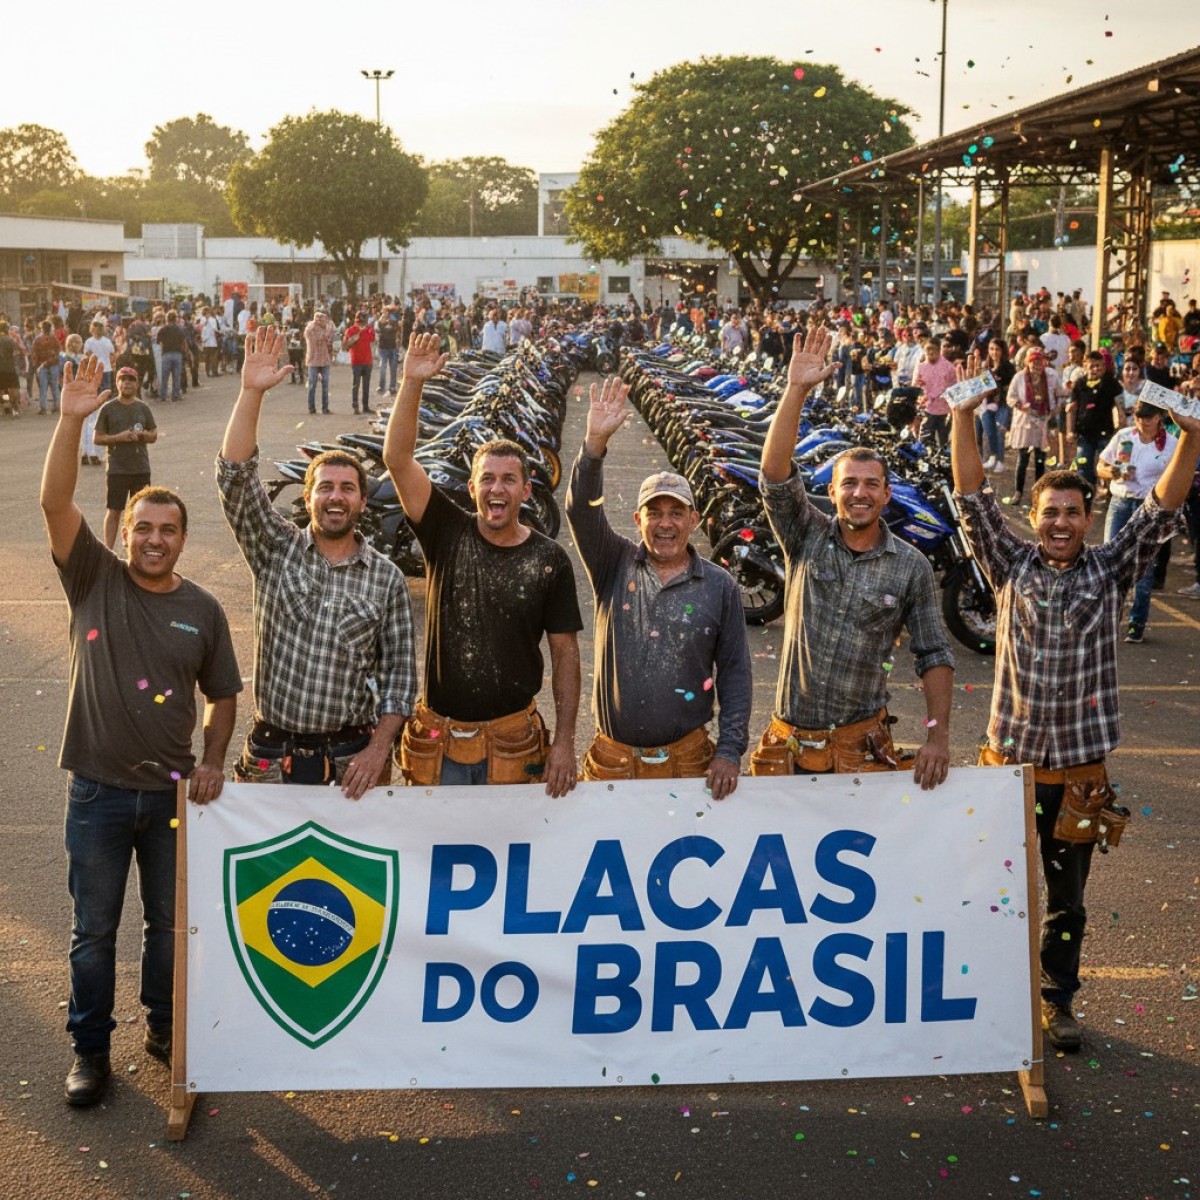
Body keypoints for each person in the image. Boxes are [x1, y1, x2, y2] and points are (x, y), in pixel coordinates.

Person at [949, 372, 1200, 1052]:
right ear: (1032, 517)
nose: (1060, 522)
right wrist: (964, 417)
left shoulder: (1110, 569)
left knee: (1068, 902)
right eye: (1049, 512)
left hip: (1080, 775)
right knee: (993, 894)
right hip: (1008, 768)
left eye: (1072, 512)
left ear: (1088, 518)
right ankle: (988, 996)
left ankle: (1056, 1002)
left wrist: (1192, 435)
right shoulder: (1009, 565)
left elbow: (1160, 507)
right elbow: (971, 497)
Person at [41, 354, 241, 1106]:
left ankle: (163, 1030)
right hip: (94, 795)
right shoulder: (92, 576)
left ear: (184, 541)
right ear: (124, 532)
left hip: (168, 801)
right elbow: (56, 501)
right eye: (143, 528)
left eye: (168, 530)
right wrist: (70, 420)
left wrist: (215, 759)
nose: (154, 539)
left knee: (167, 932)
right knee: (93, 936)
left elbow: (224, 696)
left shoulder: (205, 612)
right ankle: (91, 1052)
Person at [749, 327, 955, 789]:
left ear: (886, 494)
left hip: (860, 752)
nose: (859, 493)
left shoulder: (911, 567)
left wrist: (937, 739)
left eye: (869, 484)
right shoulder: (805, 536)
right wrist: (796, 390)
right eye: (849, 483)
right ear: (832, 491)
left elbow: (934, 653)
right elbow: (774, 474)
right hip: (789, 748)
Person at [217, 326, 417, 799]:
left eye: (347, 488)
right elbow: (234, 482)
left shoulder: (386, 579)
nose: (335, 497)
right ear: (307, 498)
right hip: (271, 756)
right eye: (325, 487)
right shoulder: (274, 549)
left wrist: (378, 750)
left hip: (350, 762)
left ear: (363, 502)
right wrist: (250, 393)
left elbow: (399, 681)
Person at [383, 332, 582, 796]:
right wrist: (412, 382)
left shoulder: (549, 559)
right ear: (471, 488)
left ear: (527, 490)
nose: (497, 489)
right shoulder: (445, 531)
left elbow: (566, 655)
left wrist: (566, 741)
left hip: (514, 744)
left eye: (509, 480)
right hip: (440, 742)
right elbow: (396, 457)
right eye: (487, 479)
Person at [565, 377, 752, 799]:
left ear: (694, 521)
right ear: (638, 521)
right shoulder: (612, 563)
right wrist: (594, 444)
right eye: (654, 512)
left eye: (675, 512)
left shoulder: (719, 586)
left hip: (689, 766)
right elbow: (579, 510)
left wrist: (730, 750)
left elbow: (736, 672)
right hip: (613, 766)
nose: (665, 523)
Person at [1097, 402, 1178, 643]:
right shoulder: (1123, 436)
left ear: (1159, 418)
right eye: (1138, 416)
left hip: (1148, 508)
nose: (1141, 421)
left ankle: (1137, 621)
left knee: (1144, 566)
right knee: (1109, 562)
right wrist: (1112, 472)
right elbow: (1100, 465)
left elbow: (1177, 477)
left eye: (1147, 417)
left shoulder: (1170, 445)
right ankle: (1108, 619)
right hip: (1120, 502)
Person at [93, 366, 158, 549]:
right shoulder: (109, 409)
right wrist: (119, 437)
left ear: (137, 384)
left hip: (140, 468)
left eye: (131, 379)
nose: (127, 383)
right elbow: (97, 438)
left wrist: (143, 435)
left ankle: (137, 549)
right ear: (117, 383)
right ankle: (108, 551)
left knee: (141, 512)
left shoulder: (142, 408)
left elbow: (153, 435)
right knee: (114, 511)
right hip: (117, 469)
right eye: (123, 379)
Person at [1004, 347, 1062, 506]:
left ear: (1044, 361)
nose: (1036, 364)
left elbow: (1060, 394)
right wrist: (1019, 405)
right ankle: (1018, 492)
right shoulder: (1019, 377)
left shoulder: (1051, 375)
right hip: (1025, 422)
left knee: (1040, 459)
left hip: (1043, 421)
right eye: (1033, 360)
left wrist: (1056, 408)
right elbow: (1010, 397)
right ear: (1027, 362)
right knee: (1022, 459)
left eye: (1039, 360)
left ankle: (1039, 494)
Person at [1064, 351, 1121, 485]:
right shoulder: (1080, 384)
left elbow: (1119, 406)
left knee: (1107, 465)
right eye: (1092, 366)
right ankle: (1086, 495)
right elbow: (1072, 409)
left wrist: (1120, 425)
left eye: (1099, 366)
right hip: (1085, 433)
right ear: (1085, 366)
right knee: (1083, 467)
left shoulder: (1111, 383)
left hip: (1105, 432)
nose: (1095, 369)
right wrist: (1070, 431)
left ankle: (1107, 493)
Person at [913, 336, 957, 449]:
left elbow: (945, 388)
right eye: (927, 349)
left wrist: (930, 396)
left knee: (943, 442)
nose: (930, 352)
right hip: (927, 410)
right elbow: (915, 386)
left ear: (938, 350)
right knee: (924, 442)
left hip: (945, 410)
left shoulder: (948, 367)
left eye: (932, 349)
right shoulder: (920, 367)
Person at [344, 309, 376, 415]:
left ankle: (365, 406)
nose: (361, 324)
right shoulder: (351, 330)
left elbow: (372, 338)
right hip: (356, 360)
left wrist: (366, 329)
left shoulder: (369, 329)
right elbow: (346, 345)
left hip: (367, 360)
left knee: (366, 385)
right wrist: (357, 334)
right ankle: (355, 406)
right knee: (356, 384)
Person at [304, 309, 336, 414]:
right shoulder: (310, 330)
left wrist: (327, 328)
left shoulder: (327, 329)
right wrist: (315, 323)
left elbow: (330, 339)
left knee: (325, 385)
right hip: (313, 360)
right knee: (312, 385)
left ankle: (325, 408)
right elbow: (307, 332)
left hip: (324, 360)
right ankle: (311, 408)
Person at [155, 311, 186, 403]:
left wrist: (162, 352)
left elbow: (159, 342)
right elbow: (183, 343)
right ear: (176, 318)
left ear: (167, 319)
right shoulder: (180, 329)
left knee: (164, 377)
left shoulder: (163, 329)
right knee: (176, 376)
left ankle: (163, 396)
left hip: (166, 354)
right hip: (177, 354)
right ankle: (175, 396)